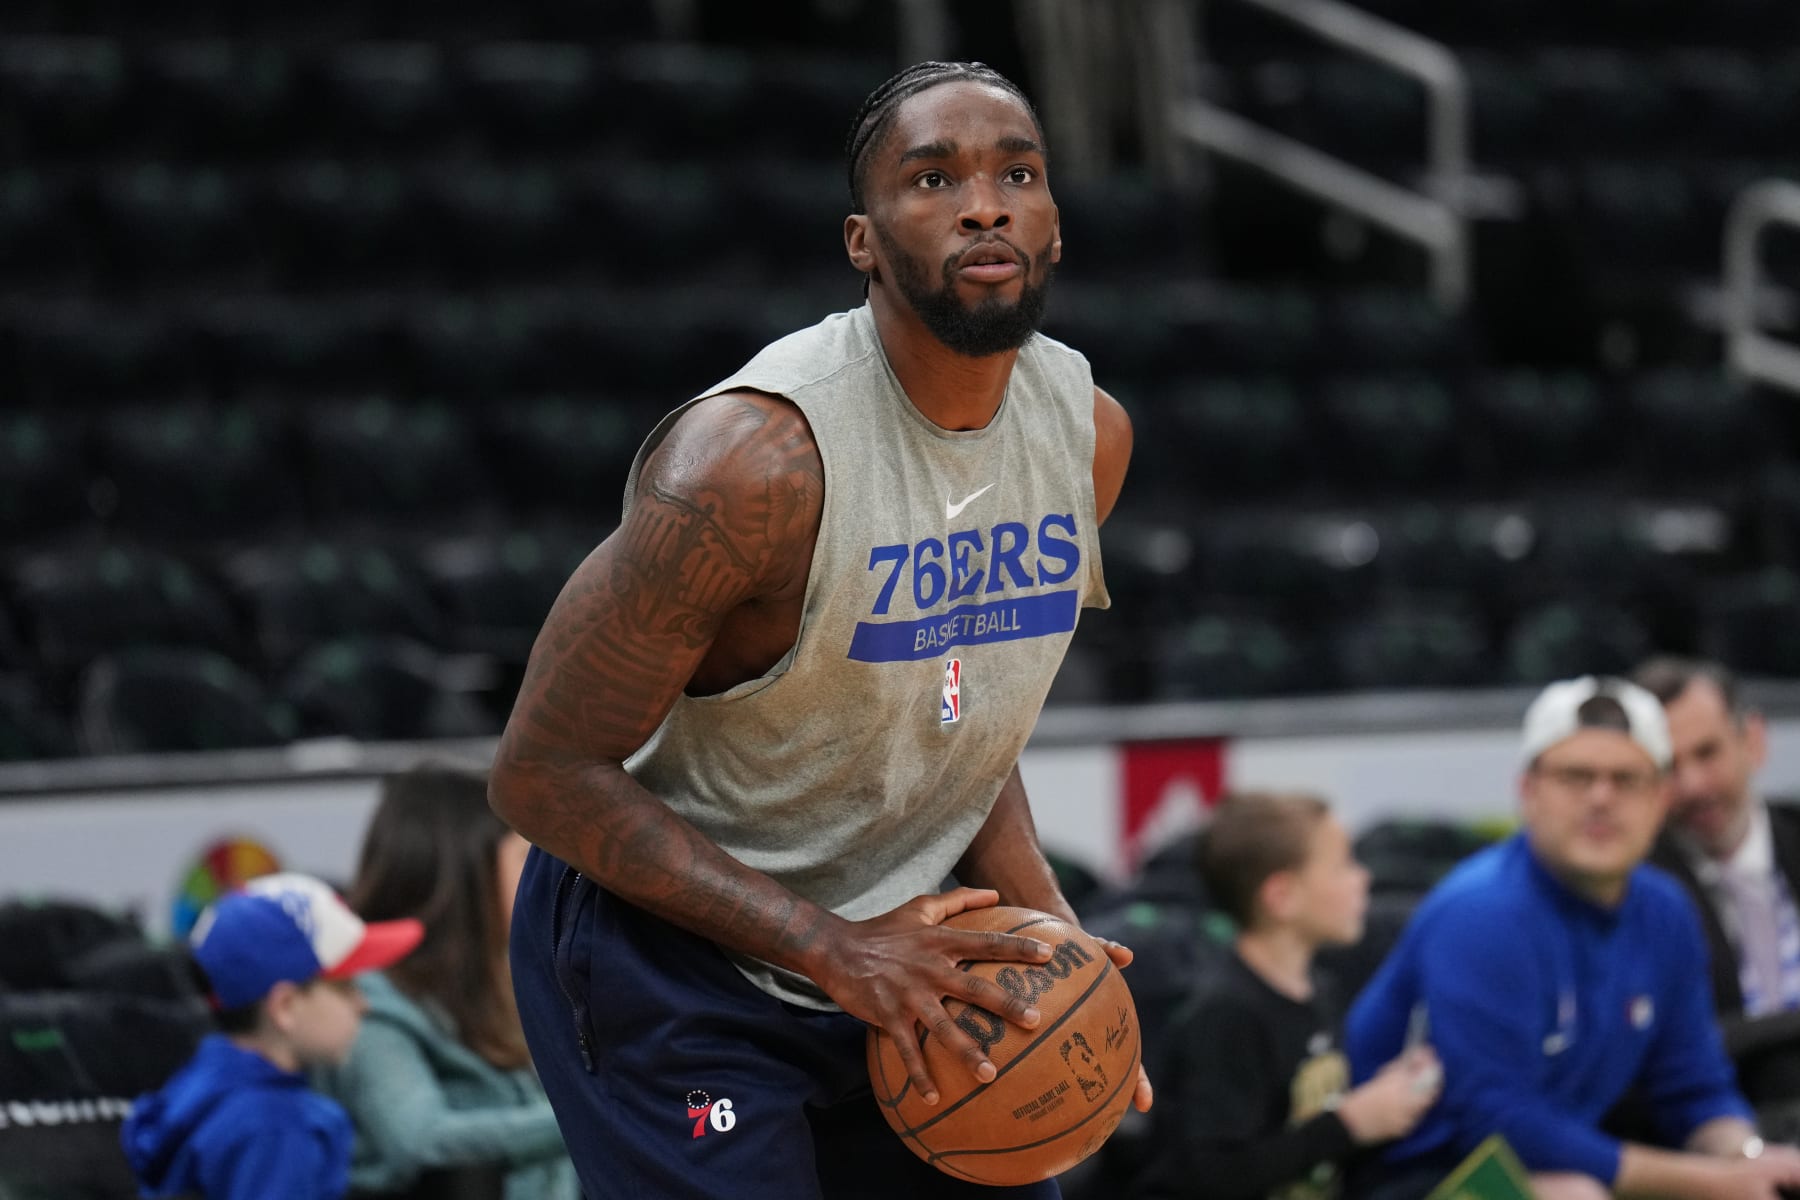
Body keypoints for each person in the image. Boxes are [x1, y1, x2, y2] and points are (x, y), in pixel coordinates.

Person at [489, 59, 1144, 1200]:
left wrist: (1048, 928)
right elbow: (541, 774)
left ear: (1051, 226)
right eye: (933, 178)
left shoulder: (1087, 437)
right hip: (677, 965)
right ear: (862, 241)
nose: (984, 201)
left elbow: (957, 704)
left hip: (906, 947)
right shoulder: (750, 466)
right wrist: (833, 950)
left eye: (1017, 174)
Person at [1344, 676, 1800, 1200]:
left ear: (1659, 799)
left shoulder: (1665, 910)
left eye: (1626, 779)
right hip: (1420, 1174)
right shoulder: (1481, 911)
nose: (1601, 798)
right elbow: (1499, 1127)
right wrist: (1715, 1183)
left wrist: (1750, 1160)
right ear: (1528, 792)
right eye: (1576, 776)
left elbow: (1694, 1087)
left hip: (1565, 1163)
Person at [1132, 792, 1441, 1200]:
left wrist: (1388, 1102)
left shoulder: (1321, 988)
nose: (1362, 878)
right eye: (1342, 865)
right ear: (1282, 897)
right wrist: (1351, 1123)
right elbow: (1212, 1173)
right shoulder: (1226, 1013)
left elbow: (1306, 1138)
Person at [317, 763, 578, 1200]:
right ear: (464, 873)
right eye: (524, 856)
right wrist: (589, 1111)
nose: (543, 875)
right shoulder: (368, 1004)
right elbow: (420, 1140)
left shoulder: (516, 980)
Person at [121, 872, 423, 1200]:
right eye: (345, 986)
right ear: (285, 1007)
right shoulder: (277, 1129)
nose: (363, 1005)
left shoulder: (203, 1083)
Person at [1635, 657, 1800, 1117]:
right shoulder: (1632, 889)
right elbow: (1664, 1054)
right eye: (1668, 766)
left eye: (1707, 753)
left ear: (1753, 741)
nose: (1692, 786)